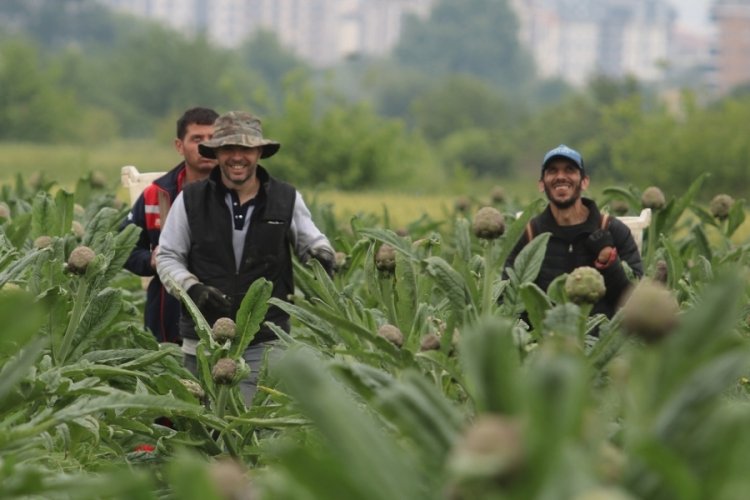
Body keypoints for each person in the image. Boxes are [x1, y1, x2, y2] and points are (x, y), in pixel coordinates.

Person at [156, 110, 335, 405]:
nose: (237, 157)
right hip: (202, 341)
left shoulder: (286, 198)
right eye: (228, 148)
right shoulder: (191, 199)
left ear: (259, 152)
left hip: (263, 341)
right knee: (199, 429)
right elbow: (167, 256)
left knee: (247, 428)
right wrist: (191, 288)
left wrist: (322, 257)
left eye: (246, 149)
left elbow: (312, 242)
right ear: (217, 152)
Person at [504, 144, 643, 319]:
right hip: (545, 340)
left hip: (601, 342)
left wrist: (609, 262)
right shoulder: (528, 234)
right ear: (541, 184)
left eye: (569, 170)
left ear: (584, 181)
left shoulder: (613, 230)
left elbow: (634, 300)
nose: (560, 176)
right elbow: (509, 299)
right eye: (552, 171)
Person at [121, 107, 220, 344]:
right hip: (168, 316)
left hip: (224, 314)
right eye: (197, 139)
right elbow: (124, 248)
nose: (206, 146)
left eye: (213, 139)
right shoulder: (156, 194)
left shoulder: (243, 194)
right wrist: (150, 260)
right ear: (179, 146)